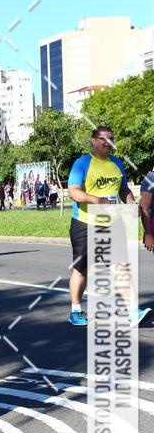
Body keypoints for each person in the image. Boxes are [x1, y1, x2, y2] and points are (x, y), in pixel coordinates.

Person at [67, 125, 149, 327]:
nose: (108, 143)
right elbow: (73, 192)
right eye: (104, 139)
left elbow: (123, 189)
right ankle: (76, 311)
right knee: (82, 270)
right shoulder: (82, 164)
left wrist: (130, 203)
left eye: (111, 139)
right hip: (85, 224)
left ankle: (131, 312)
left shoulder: (117, 164)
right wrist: (97, 200)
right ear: (93, 141)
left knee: (120, 266)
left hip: (112, 223)